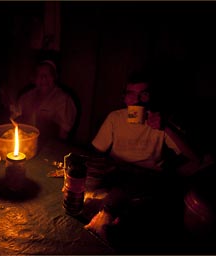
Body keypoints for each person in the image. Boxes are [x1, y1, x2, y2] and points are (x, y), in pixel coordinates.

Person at [83, 71, 207, 245]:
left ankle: (108, 221)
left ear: (150, 97)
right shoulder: (115, 118)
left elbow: (195, 158)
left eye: (143, 94)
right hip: (117, 172)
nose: (137, 100)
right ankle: (109, 220)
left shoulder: (159, 122)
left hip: (147, 178)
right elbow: (96, 152)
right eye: (131, 94)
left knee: (148, 200)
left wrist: (165, 128)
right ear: (125, 98)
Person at [10, 59, 78, 142]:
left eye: (48, 74)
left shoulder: (64, 100)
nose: (43, 78)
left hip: (49, 146)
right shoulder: (25, 97)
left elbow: (63, 134)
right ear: (34, 78)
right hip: (25, 143)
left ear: (55, 77)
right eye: (39, 75)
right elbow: (14, 119)